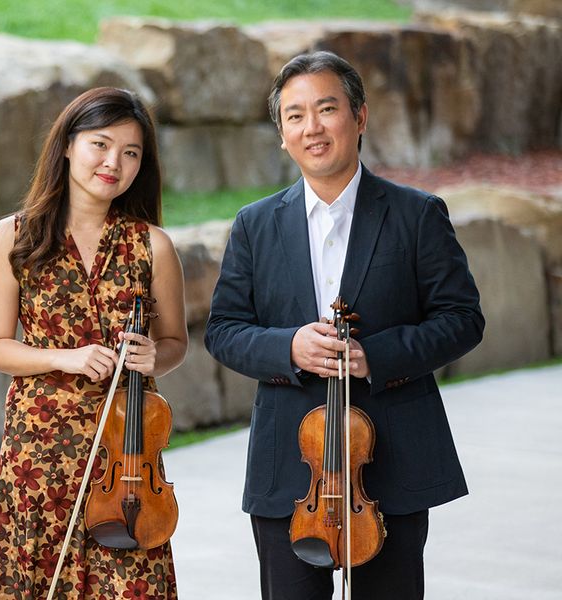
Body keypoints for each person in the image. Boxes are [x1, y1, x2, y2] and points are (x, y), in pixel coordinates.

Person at [204, 50, 484, 599]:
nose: (312, 128)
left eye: (326, 109)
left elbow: (463, 319)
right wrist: (289, 347)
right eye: (295, 116)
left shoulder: (417, 214)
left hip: (392, 464)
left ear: (359, 116)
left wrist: (375, 355)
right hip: (290, 468)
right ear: (282, 135)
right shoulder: (254, 225)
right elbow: (224, 330)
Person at [0, 87, 187, 599]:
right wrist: (63, 357)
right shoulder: (14, 237)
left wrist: (155, 355)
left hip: (130, 458)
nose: (114, 162)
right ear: (68, 145)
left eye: (131, 152)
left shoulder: (153, 245)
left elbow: (175, 340)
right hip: (41, 451)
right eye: (101, 143)